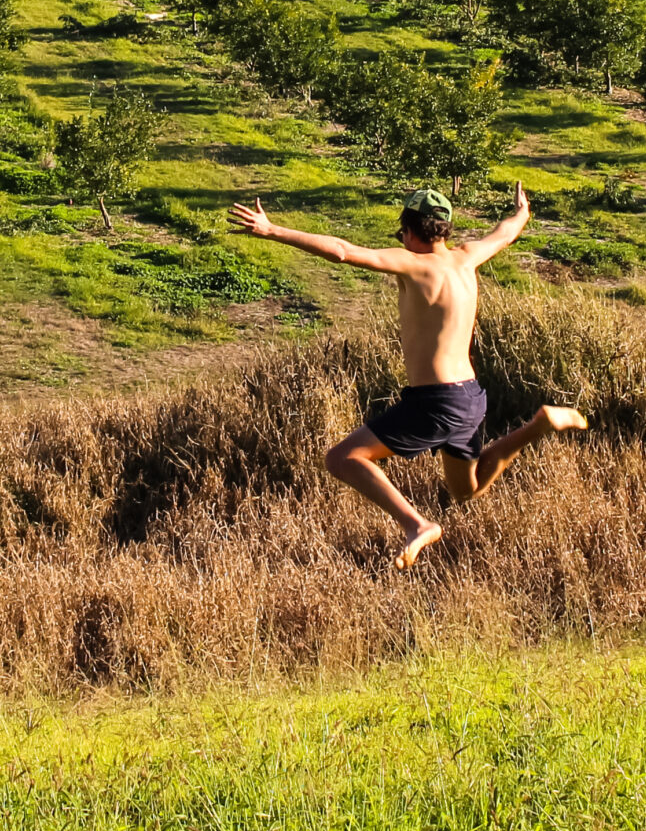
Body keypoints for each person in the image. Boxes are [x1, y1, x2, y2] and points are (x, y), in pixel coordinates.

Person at [227, 183, 587, 567]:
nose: (402, 240)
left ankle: (416, 524)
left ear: (412, 231)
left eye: (402, 234)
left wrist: (273, 230)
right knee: (468, 489)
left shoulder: (413, 263)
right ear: (445, 229)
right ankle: (540, 424)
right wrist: (522, 213)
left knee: (342, 458)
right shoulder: (467, 257)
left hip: (437, 401)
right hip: (469, 396)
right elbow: (506, 232)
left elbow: (343, 251)